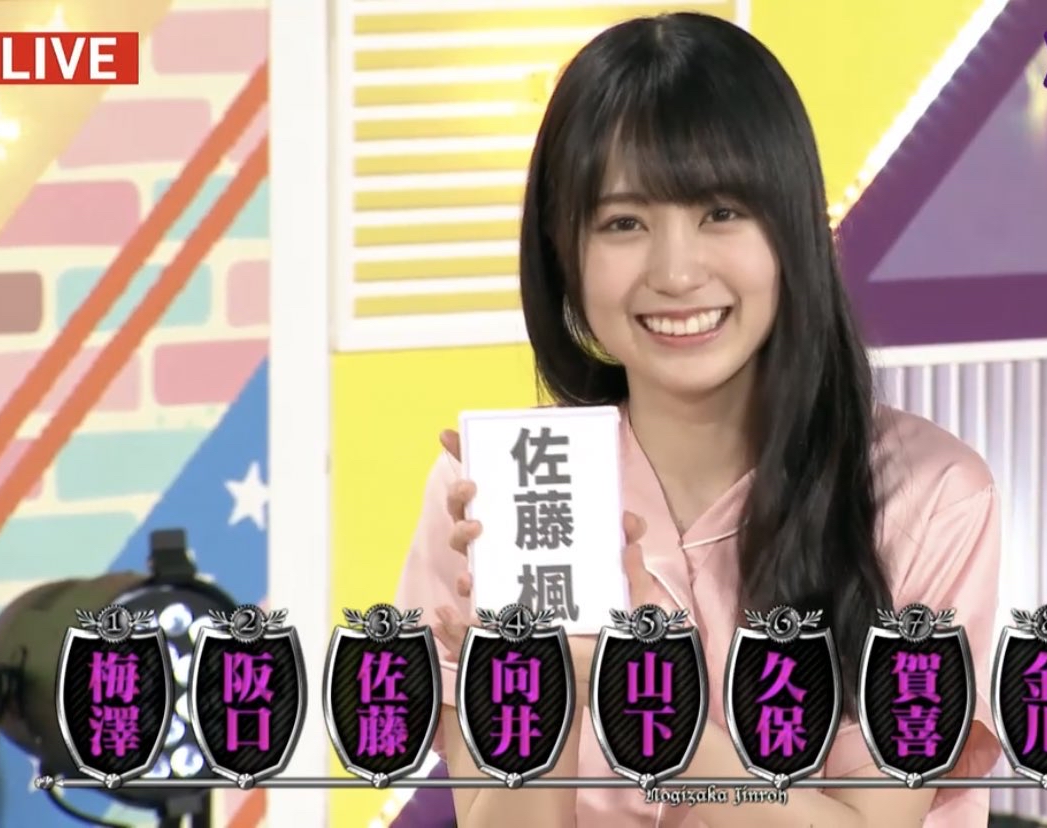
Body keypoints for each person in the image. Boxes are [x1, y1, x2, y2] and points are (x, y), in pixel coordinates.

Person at [397, 12, 1002, 827]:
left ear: (794, 228)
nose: (677, 272)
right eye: (623, 223)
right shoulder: (497, 496)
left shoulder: (927, 498)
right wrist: (545, 684)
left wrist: (645, 696)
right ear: (563, 252)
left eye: (721, 212)